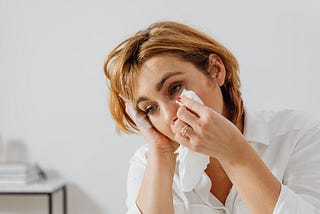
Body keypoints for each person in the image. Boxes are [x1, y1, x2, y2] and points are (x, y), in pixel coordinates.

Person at [103, 21, 320, 214]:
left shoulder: (298, 135)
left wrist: (234, 153)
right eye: (150, 108)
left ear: (216, 70)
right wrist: (161, 152)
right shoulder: (147, 164)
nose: (170, 116)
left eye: (175, 88)